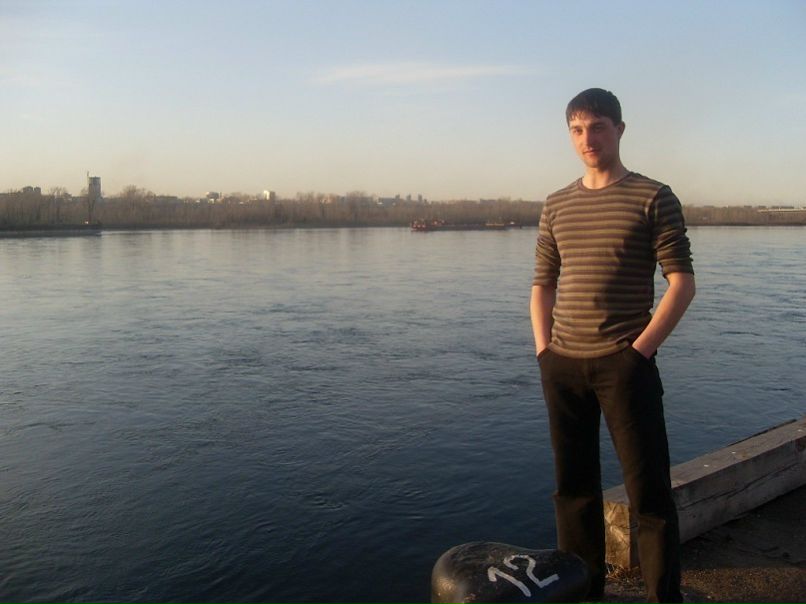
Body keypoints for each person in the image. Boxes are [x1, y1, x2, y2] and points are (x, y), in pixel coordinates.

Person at [530, 88, 695, 604]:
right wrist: (544, 352)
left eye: (598, 127)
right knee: (573, 493)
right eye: (577, 130)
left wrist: (637, 354)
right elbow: (542, 284)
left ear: (619, 130)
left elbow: (682, 283)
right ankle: (584, 593)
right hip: (563, 365)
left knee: (649, 495)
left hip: (625, 366)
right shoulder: (557, 204)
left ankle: (662, 597)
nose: (588, 139)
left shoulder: (652, 196)